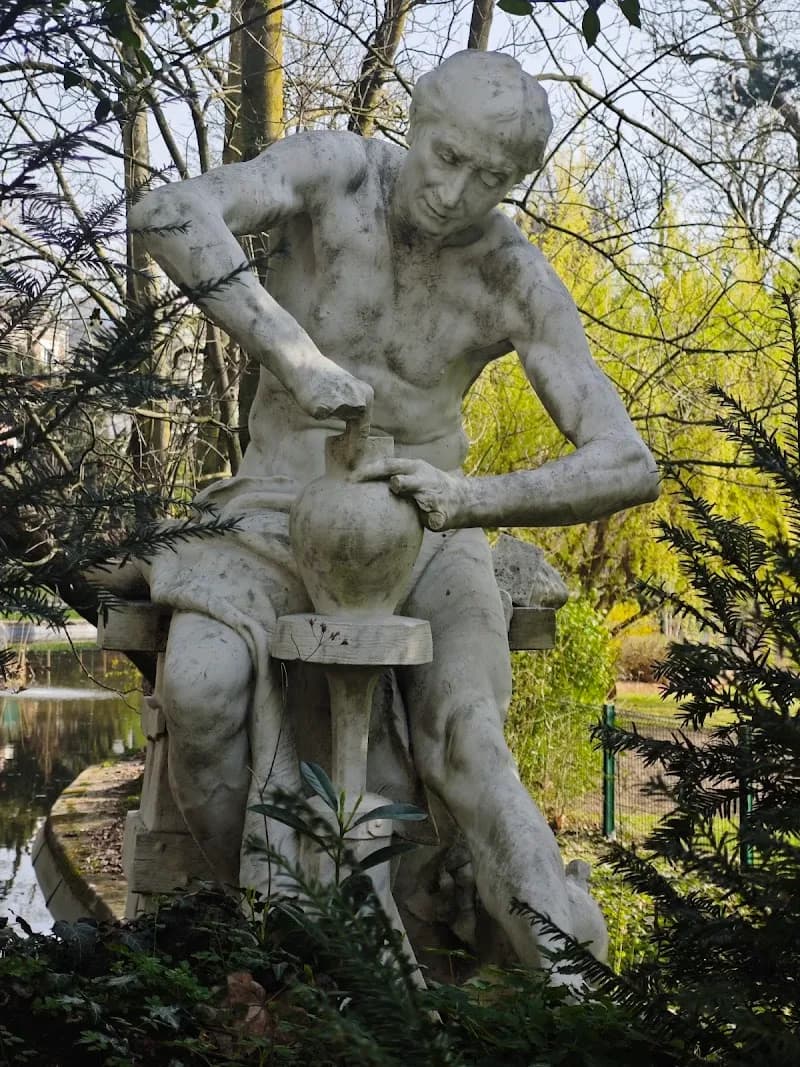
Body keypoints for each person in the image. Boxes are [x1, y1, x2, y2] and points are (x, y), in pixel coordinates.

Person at [129, 50, 659, 971]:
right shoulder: (335, 174)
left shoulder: (508, 274)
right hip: (269, 513)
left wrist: (471, 498)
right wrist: (291, 353)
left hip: (425, 525)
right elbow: (168, 210)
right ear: (415, 124)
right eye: (445, 156)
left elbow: (626, 461)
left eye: (489, 179)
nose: (454, 192)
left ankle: (573, 993)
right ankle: (277, 941)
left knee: (472, 741)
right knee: (202, 688)